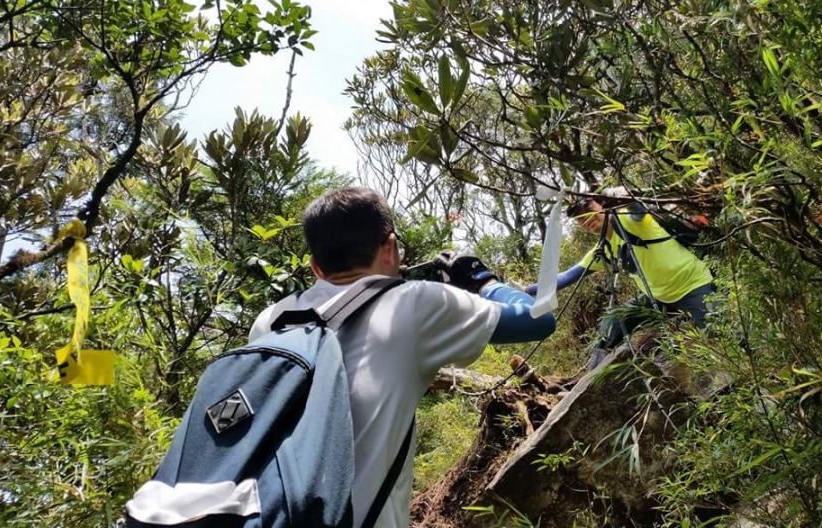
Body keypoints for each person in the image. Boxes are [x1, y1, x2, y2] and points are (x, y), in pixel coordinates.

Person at [248, 186, 556, 528]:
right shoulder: (415, 302)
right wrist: (480, 279)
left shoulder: (270, 319)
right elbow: (540, 318)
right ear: (391, 247)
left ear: (316, 267)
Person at [526, 193, 715, 368]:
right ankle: (592, 380)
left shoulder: (628, 219)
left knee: (716, 335)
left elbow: (637, 211)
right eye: (581, 219)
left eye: (589, 210)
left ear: (602, 205)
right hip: (658, 298)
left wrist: (619, 195)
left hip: (693, 285)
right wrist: (527, 290)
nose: (587, 219)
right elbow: (568, 276)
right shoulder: (603, 249)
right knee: (613, 322)